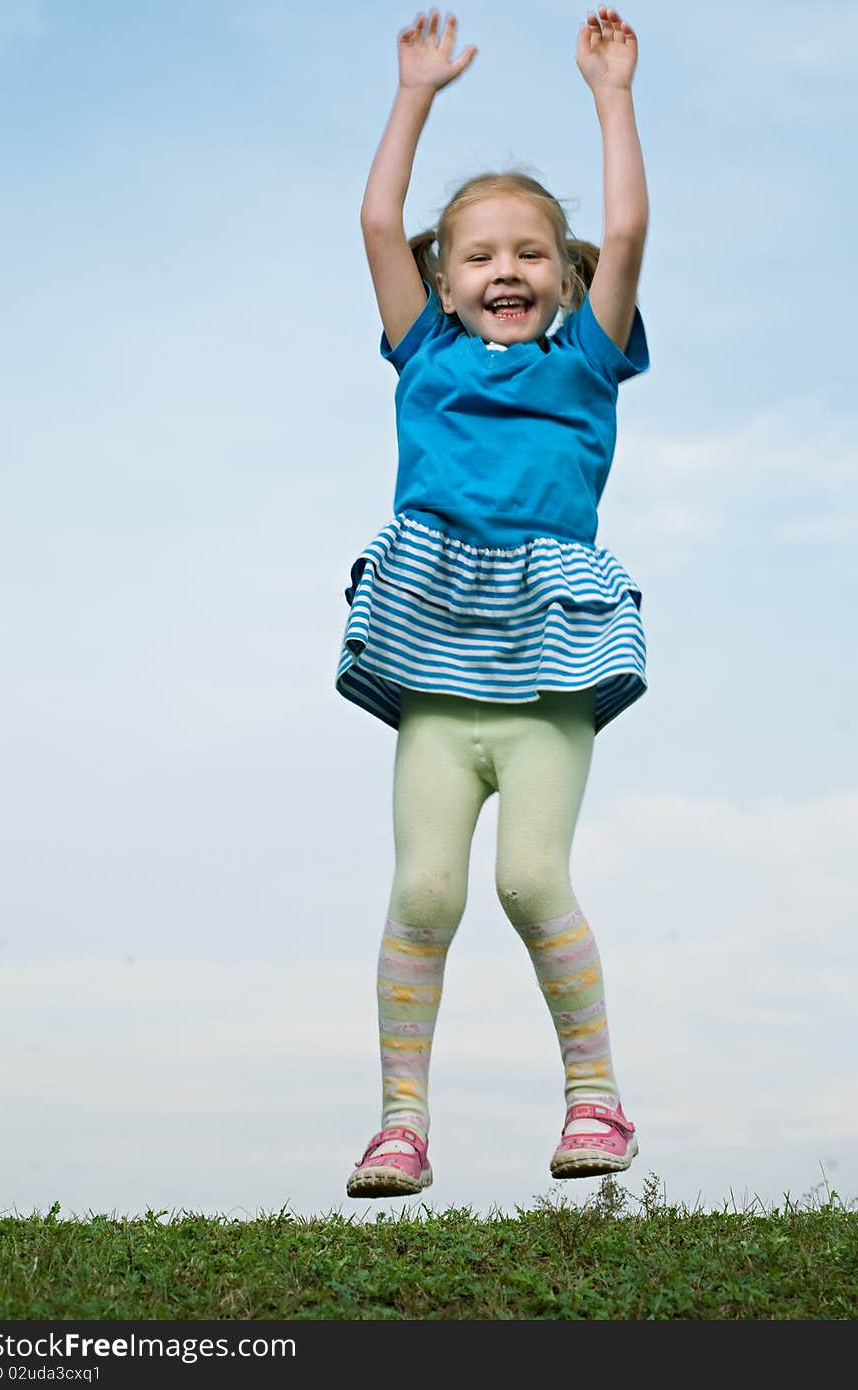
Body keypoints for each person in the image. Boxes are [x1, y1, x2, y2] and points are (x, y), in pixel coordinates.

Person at [336, 8, 649, 1197]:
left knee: (529, 878)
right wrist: (416, 93)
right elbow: (376, 220)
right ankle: (399, 1124)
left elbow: (624, 225)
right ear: (442, 280)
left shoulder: (585, 361)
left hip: (547, 665)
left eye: (529, 252)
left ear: (564, 279)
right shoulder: (424, 355)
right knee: (422, 889)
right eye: (477, 254)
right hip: (432, 660)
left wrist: (607, 94)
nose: (504, 269)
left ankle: (594, 1104)